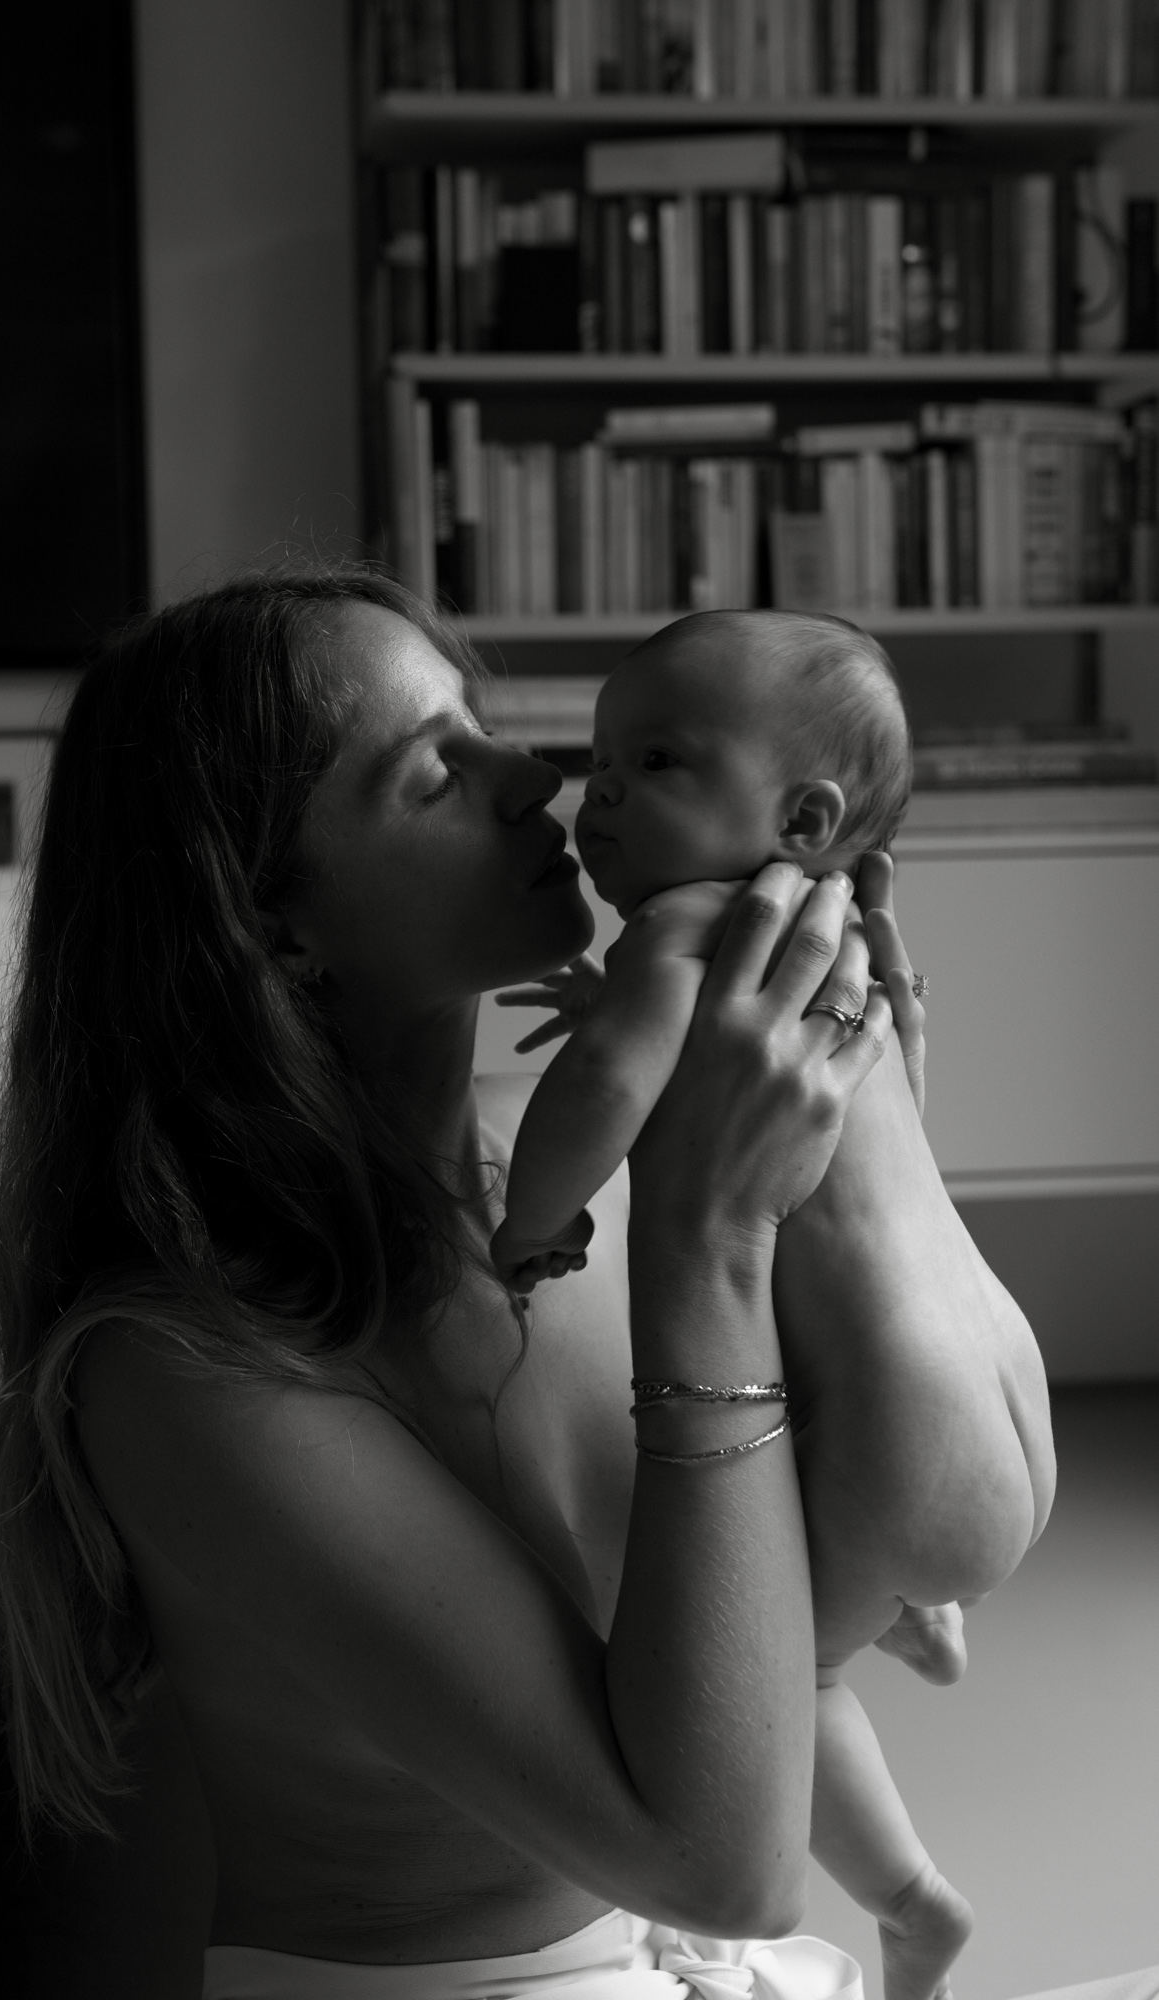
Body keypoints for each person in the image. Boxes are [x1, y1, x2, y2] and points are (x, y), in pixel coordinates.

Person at [0, 569, 1080, 2000]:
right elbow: (724, 1869)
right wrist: (710, 1238)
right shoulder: (185, 1365)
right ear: (270, 926)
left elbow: (746, 1593)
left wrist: (856, 1192)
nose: (532, 777)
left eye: (482, 724)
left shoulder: (565, 1156)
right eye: (433, 771)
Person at [491, 609, 1044, 2000]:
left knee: (768, 1669)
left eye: (658, 759)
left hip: (906, 1446)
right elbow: (871, 1131)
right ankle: (923, 1599)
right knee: (822, 1480)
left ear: (798, 814)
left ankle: (912, 1904)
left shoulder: (682, 930)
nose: (597, 792)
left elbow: (601, 1093)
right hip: (995, 1379)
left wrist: (533, 1222)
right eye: (599, 758)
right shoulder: (834, 944)